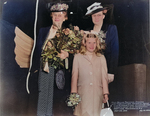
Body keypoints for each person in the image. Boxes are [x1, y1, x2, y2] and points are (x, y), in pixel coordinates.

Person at [30, 3, 74, 116]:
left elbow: (77, 54)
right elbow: (36, 52)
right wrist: (34, 70)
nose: (57, 17)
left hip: (59, 73)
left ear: (65, 17)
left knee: (56, 103)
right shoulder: (43, 31)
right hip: (43, 70)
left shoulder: (69, 33)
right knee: (42, 100)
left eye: (60, 15)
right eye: (54, 15)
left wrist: (68, 55)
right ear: (51, 16)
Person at [71, 33, 109, 116]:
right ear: (84, 43)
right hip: (82, 93)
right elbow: (74, 76)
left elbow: (104, 77)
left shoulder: (101, 58)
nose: (92, 45)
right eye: (89, 43)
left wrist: (105, 93)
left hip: (97, 93)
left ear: (97, 43)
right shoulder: (78, 57)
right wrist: (74, 93)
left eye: (94, 43)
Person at [85, 2, 119, 81]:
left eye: (99, 15)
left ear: (103, 16)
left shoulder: (111, 29)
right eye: (94, 15)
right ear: (91, 17)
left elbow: (115, 51)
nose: (96, 17)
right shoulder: (87, 31)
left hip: (105, 70)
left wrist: (111, 72)